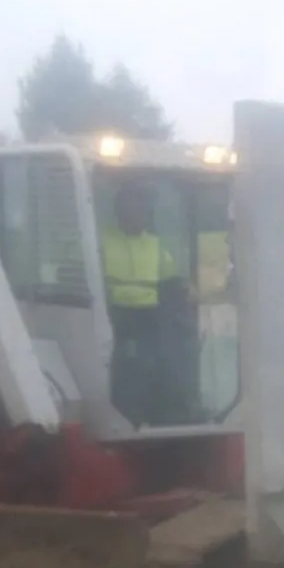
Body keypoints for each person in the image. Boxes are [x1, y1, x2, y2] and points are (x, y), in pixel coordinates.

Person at [101, 182, 189, 425]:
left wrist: (188, 291)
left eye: (141, 208)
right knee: (122, 367)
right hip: (112, 315)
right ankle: (125, 414)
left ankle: (165, 411)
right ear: (118, 210)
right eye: (131, 206)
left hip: (150, 317)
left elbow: (172, 283)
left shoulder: (157, 246)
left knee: (167, 358)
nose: (137, 212)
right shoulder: (100, 242)